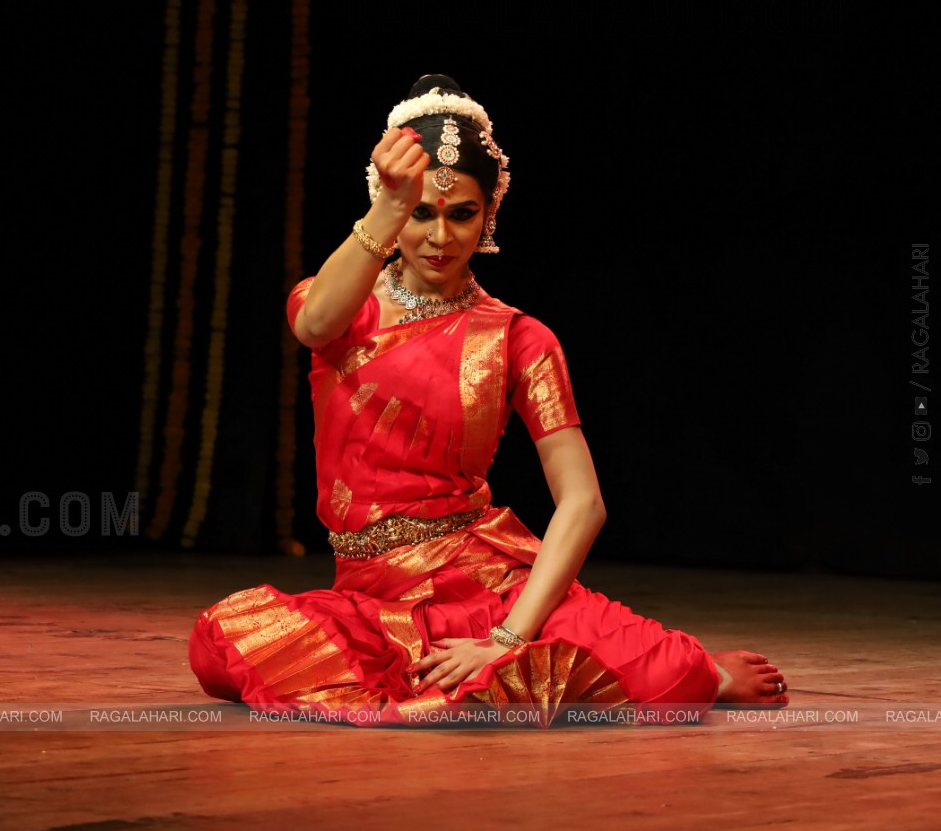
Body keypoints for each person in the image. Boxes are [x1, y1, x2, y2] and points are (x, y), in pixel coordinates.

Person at [188, 74, 790, 726]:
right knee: (220, 641)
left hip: (484, 582)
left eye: (460, 213)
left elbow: (582, 501)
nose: (439, 237)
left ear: (488, 213)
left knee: (670, 674)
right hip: (368, 596)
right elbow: (310, 326)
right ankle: (481, 682)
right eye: (421, 212)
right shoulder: (346, 311)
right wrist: (387, 210)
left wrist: (505, 639)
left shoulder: (517, 338)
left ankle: (697, 668)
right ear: (390, 206)